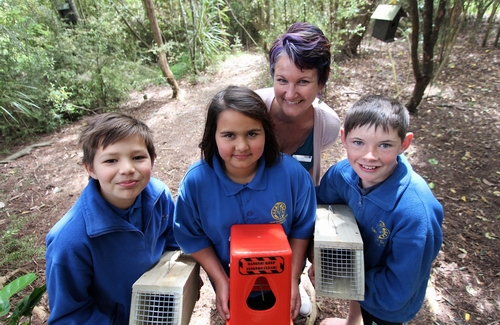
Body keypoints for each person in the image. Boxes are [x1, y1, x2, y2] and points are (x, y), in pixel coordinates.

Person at [173, 86, 317, 321]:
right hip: (230, 278)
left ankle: (296, 290)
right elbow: (191, 236)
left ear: (266, 133)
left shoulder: (293, 175)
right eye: (229, 135)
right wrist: (221, 280)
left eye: (252, 134)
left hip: (281, 275)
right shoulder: (196, 183)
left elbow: (302, 228)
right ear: (213, 136)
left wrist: (291, 279)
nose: (241, 146)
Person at [311, 95, 444, 325]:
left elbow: (396, 291)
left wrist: (340, 276)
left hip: (388, 307)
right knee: (359, 298)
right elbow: (322, 206)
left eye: (385, 145)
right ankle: (353, 321)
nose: (369, 156)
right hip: (360, 271)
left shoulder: (415, 213)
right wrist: (321, 254)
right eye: (358, 142)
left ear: (404, 144)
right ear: (343, 137)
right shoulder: (342, 175)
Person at [45, 112, 179, 324]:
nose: (127, 169)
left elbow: (173, 243)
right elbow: (70, 316)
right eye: (111, 160)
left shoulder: (159, 196)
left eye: (138, 157)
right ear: (91, 169)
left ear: (152, 160)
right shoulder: (69, 242)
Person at [255, 22, 341, 187]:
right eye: (282, 80)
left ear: (322, 81)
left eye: (303, 81)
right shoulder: (252, 110)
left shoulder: (327, 126)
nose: (290, 94)